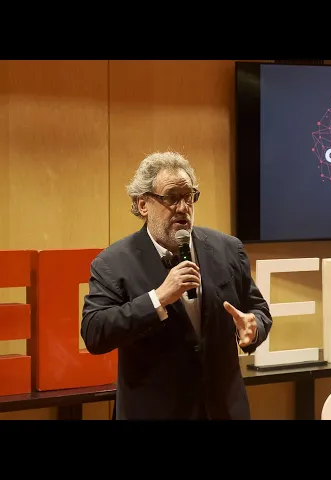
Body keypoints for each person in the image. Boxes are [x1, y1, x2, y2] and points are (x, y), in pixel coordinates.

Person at [81, 151, 272, 420]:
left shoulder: (228, 249)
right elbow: (95, 332)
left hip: (224, 411)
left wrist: (254, 326)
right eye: (171, 197)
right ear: (143, 204)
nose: (183, 208)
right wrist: (157, 298)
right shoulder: (113, 263)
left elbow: (258, 309)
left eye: (189, 196)